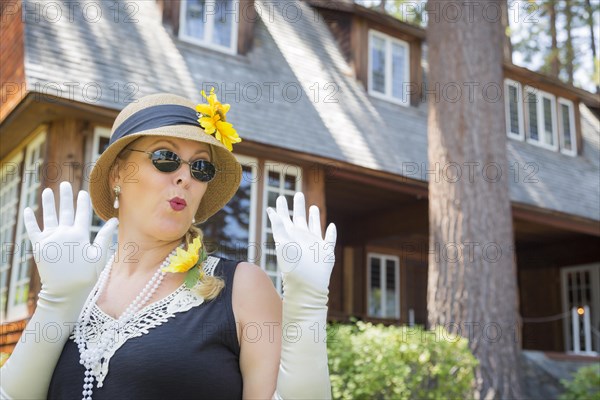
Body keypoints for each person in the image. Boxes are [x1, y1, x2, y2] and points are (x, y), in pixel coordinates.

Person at [0, 91, 336, 399]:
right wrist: (56, 301)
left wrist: (307, 305)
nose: (185, 177)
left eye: (201, 167)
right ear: (118, 174)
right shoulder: (76, 281)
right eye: (165, 157)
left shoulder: (242, 288)